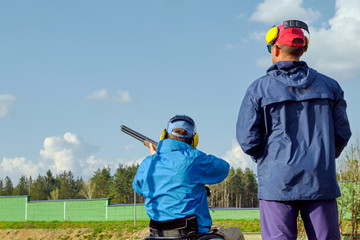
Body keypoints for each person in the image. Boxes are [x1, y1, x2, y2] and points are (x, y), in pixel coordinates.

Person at [236, 20, 352, 240]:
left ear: (276, 48)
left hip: (277, 183)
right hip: (320, 180)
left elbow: (248, 139)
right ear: (303, 48)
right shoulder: (330, 86)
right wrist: (323, 157)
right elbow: (342, 134)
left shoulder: (258, 89)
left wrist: (270, 159)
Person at [132, 115, 231, 238]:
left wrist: (154, 156)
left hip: (156, 234)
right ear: (195, 139)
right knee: (234, 233)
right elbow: (224, 168)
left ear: (164, 135)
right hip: (193, 235)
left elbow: (138, 187)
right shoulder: (195, 158)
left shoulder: (148, 163)